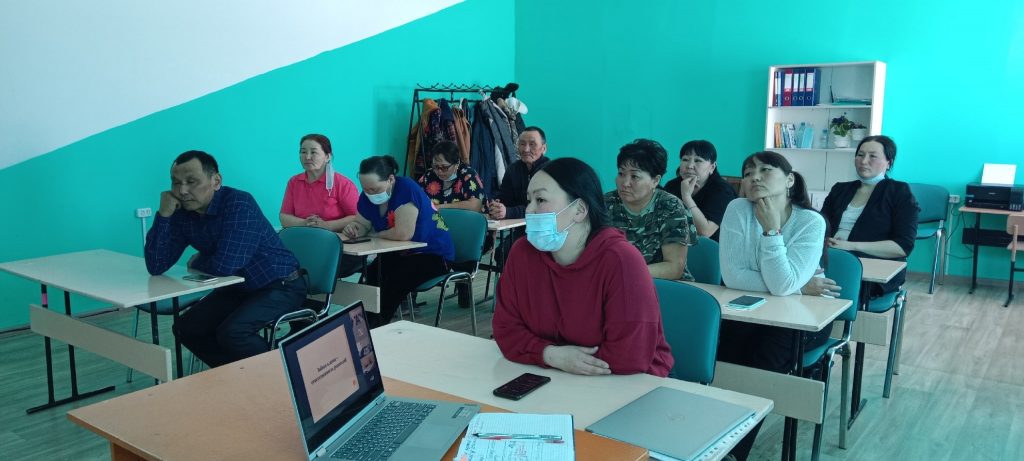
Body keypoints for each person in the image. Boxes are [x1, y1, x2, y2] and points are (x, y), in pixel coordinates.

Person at [492, 157, 674, 377]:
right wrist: (550, 354)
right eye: (528, 200)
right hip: (554, 375)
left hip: (628, 382)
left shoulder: (621, 260)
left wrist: (550, 357)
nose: (529, 210)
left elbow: (629, 357)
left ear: (579, 210)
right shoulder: (522, 253)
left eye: (540, 200)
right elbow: (505, 330)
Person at [145, 150, 307, 368]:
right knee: (187, 328)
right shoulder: (183, 212)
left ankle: (280, 375)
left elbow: (225, 265)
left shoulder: (238, 204)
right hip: (237, 288)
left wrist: (197, 261)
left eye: (191, 182)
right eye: (176, 183)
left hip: (281, 285)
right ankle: (237, 375)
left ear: (216, 181)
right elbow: (156, 264)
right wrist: (163, 215)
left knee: (233, 332)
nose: (182, 191)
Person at [716, 151, 828, 461]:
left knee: (760, 367)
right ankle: (706, 442)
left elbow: (782, 285)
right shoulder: (737, 209)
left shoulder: (811, 222)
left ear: (789, 180)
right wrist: (798, 285)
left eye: (765, 170)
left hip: (802, 317)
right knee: (723, 358)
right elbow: (733, 277)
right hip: (749, 309)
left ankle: (731, 453)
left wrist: (771, 231)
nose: (754, 178)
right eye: (748, 173)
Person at [341, 155, 454, 328]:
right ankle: (357, 325)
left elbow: (403, 233)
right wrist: (354, 228)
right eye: (365, 189)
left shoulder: (406, 189)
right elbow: (362, 224)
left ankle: (375, 327)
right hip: (401, 252)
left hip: (434, 254)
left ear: (391, 180)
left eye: (374, 189)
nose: (369, 193)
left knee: (394, 282)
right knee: (371, 276)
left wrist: (375, 234)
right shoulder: (368, 195)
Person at [812, 135, 919, 298]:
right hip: (829, 258)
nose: (864, 161)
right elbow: (821, 226)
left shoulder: (899, 192)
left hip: (870, 267)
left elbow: (902, 246)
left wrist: (850, 246)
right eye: (860, 155)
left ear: (889, 163)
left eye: (872, 156)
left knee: (834, 289)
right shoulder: (840, 189)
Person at [604, 139, 697, 280]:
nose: (625, 183)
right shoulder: (606, 203)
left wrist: (624, 272)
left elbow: (674, 268)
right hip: (618, 283)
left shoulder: (670, 207)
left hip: (665, 286)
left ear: (655, 180)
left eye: (634, 176)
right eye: (621, 173)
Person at [279, 133, 362, 277]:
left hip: (334, 247)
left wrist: (327, 226)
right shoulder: (294, 182)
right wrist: (305, 223)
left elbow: (357, 217)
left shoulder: (342, 184)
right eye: (303, 152)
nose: (307, 157)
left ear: (327, 157)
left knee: (311, 268)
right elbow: (284, 217)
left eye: (313, 152)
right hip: (303, 242)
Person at [663, 140, 738, 241]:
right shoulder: (672, 186)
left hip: (714, 247)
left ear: (712, 167)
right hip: (679, 244)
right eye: (685, 159)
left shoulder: (722, 191)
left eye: (698, 160)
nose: (689, 166)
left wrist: (686, 197)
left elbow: (705, 232)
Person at [487, 126, 550, 220]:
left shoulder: (550, 171)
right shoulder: (513, 169)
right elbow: (504, 198)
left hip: (544, 225)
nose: (526, 149)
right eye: (522, 144)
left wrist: (508, 212)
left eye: (532, 144)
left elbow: (541, 208)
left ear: (544, 148)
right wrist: (496, 206)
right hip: (517, 225)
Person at [418, 140, 485, 212]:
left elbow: (475, 206)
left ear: (457, 163)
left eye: (444, 167)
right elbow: (415, 199)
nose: (439, 171)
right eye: (435, 166)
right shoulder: (429, 175)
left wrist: (439, 207)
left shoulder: (468, 175)